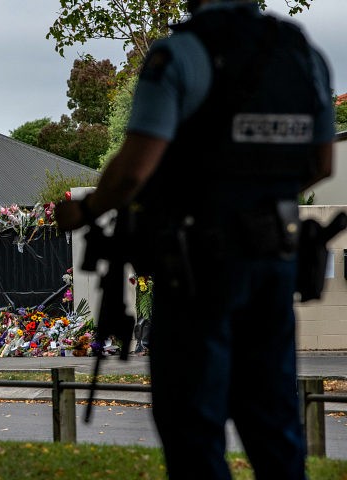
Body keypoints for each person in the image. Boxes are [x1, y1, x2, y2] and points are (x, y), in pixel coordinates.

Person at [55, 0, 335, 478]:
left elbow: (133, 172)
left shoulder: (182, 54)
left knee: (192, 426)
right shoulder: (302, 53)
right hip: (275, 264)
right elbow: (322, 164)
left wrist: (84, 210)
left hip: (198, 270)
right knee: (274, 423)